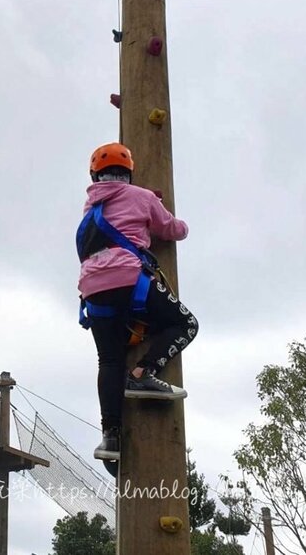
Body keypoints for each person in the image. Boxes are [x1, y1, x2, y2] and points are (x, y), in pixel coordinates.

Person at [76, 143, 198, 461]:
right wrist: (182, 223)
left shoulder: (91, 208)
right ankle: (143, 374)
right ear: (129, 173)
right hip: (130, 281)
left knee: (109, 360)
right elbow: (171, 230)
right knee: (185, 323)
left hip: (92, 288)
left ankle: (110, 438)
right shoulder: (142, 197)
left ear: (95, 174)